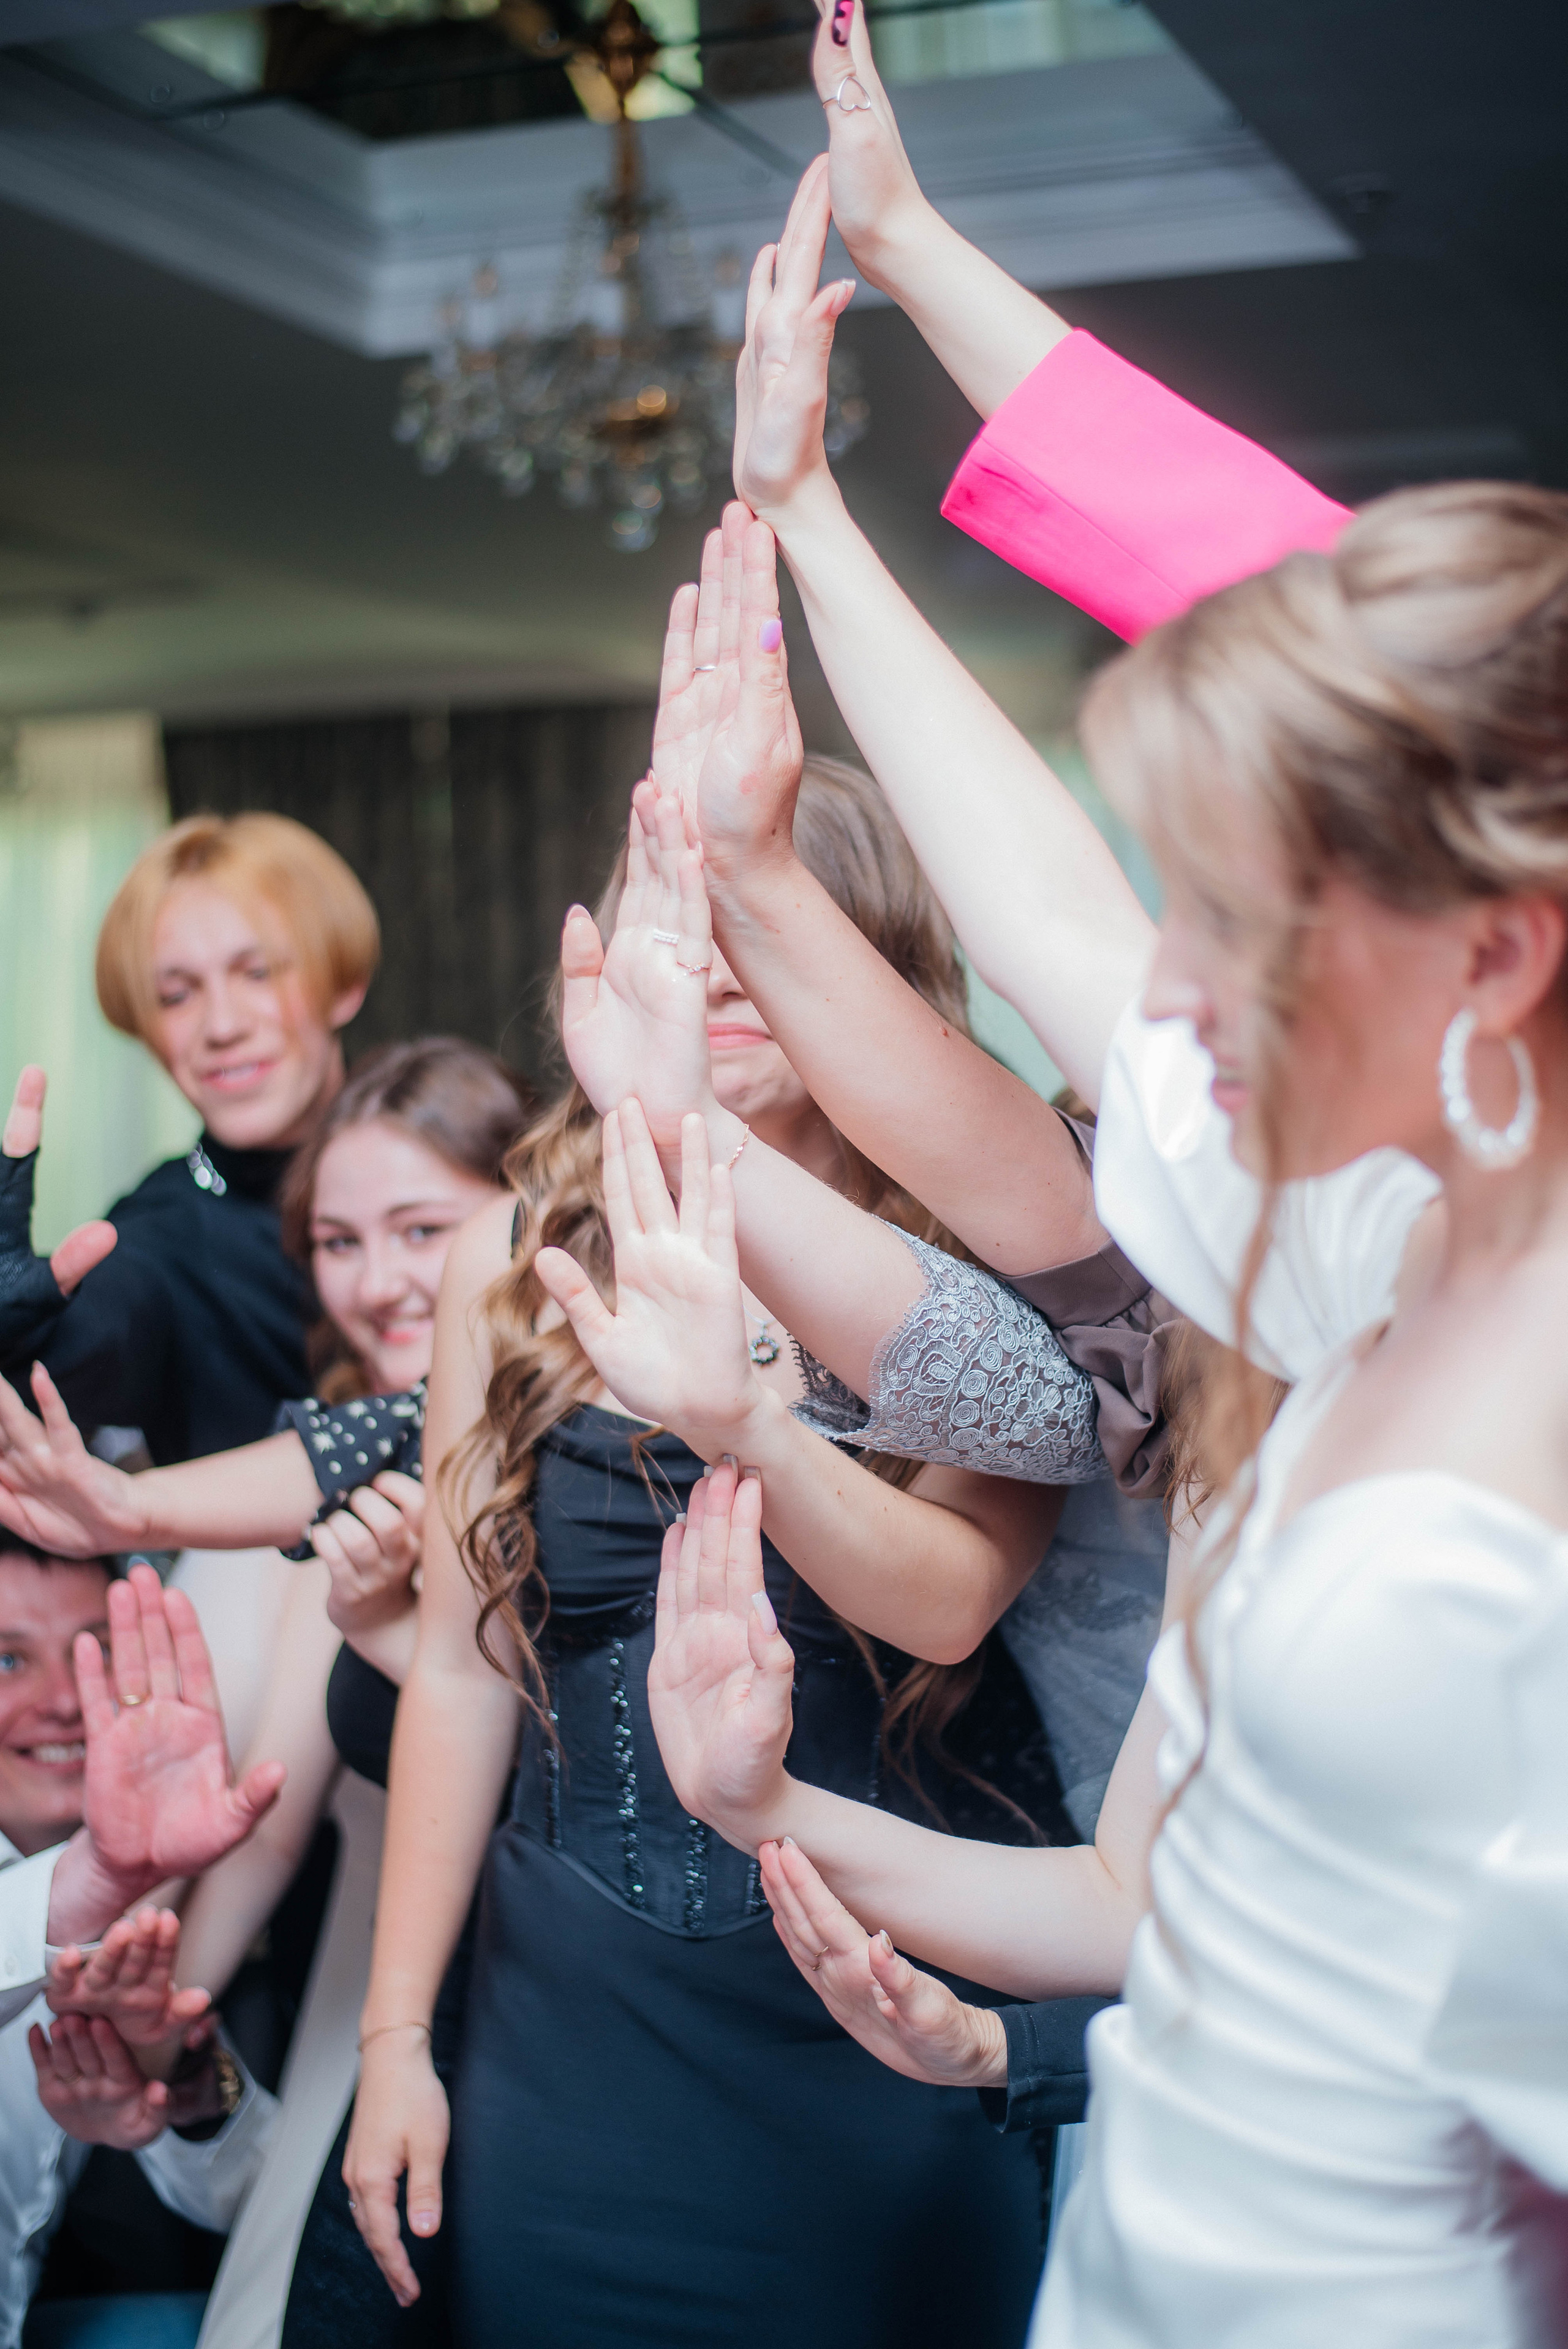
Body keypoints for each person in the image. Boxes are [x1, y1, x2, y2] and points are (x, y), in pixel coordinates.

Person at [627, 211, 1568, 2340]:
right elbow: (1046, 907)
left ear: (1494, 956)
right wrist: (799, 515)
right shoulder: (1365, 1260)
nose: (1162, 988)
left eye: (1236, 917)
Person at [345, 770, 1091, 2349]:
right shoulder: (521, 1240)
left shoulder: (979, 1248)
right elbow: (471, 1670)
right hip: (568, 2016)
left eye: (758, 923)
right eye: (673, 922)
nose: (711, 971)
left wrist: (747, 1419)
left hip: (874, 1995)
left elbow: (947, 1603)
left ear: (861, 956)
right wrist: (398, 2031)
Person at [0, 1040, 532, 2348]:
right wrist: (142, 2030)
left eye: (425, 1228)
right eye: (340, 1241)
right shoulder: (325, 1473)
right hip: (382, 2012)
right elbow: (255, 1815)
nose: (385, 1278)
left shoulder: (589, 1418)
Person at [0, 813, 379, 1466]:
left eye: (258, 973)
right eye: (176, 996)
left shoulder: (463, 1163)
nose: (222, 1025)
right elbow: (102, 1331)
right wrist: (22, 1350)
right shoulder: (157, 1235)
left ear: (343, 985)